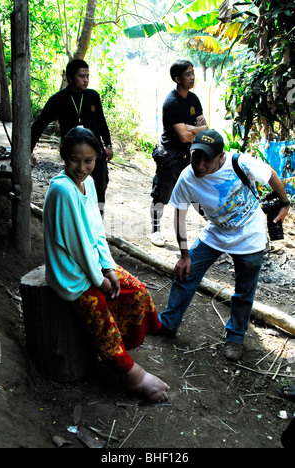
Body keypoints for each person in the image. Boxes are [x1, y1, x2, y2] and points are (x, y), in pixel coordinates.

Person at [43, 127, 169, 402]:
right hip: (70, 271)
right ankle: (130, 374)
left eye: (88, 161)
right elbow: (76, 243)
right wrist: (98, 279)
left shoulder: (87, 183)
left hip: (90, 261)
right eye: (75, 160)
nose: (82, 167)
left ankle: (125, 342)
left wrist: (108, 268)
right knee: (98, 312)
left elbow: (96, 231)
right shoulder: (62, 189)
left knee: (135, 290)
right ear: (65, 157)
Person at [156, 129, 290, 362]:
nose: (199, 164)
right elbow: (179, 216)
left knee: (244, 290)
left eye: (206, 158)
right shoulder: (187, 177)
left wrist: (285, 202)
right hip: (217, 231)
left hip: (250, 233)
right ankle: (168, 324)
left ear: (221, 156)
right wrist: (184, 255)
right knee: (186, 273)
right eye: (195, 156)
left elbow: (269, 174)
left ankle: (235, 337)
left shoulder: (239, 162)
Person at [31, 59, 113, 213]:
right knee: (75, 186)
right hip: (73, 154)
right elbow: (39, 125)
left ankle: (97, 220)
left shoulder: (92, 96)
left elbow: (101, 122)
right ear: (70, 77)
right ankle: (78, 218)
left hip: (96, 153)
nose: (86, 80)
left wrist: (108, 145)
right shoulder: (58, 100)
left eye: (87, 76)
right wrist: (28, 150)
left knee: (100, 188)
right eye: (81, 76)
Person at [150, 59, 207, 247]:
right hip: (170, 155)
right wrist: (191, 129)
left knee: (196, 192)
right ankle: (156, 230)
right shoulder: (172, 102)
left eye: (193, 73)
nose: (192, 77)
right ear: (177, 79)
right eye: (187, 74)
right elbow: (183, 137)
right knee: (162, 194)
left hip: (190, 154)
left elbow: (205, 127)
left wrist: (188, 128)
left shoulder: (194, 99)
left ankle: (213, 225)